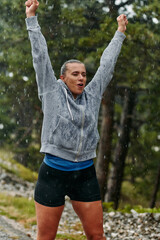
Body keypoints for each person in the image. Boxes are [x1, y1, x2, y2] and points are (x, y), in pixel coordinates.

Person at [25, 0, 128, 239]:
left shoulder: (91, 96)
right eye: (75, 74)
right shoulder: (51, 91)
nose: (81, 78)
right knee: (46, 237)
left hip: (84, 175)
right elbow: (40, 56)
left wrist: (120, 33)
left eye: (83, 74)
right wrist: (32, 20)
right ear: (63, 77)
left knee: (96, 235)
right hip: (53, 174)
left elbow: (106, 66)